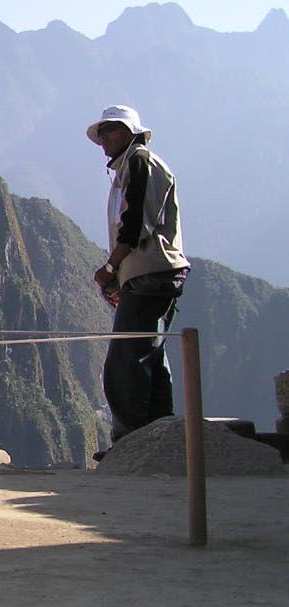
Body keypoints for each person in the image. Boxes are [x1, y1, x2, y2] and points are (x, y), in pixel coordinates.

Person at [86, 105, 190, 458]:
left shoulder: (140, 162)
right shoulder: (130, 166)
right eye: (101, 133)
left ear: (129, 132)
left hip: (150, 273)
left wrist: (110, 268)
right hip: (151, 274)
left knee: (125, 360)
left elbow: (134, 226)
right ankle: (162, 438)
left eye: (109, 131)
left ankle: (131, 444)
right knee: (151, 357)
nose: (103, 140)